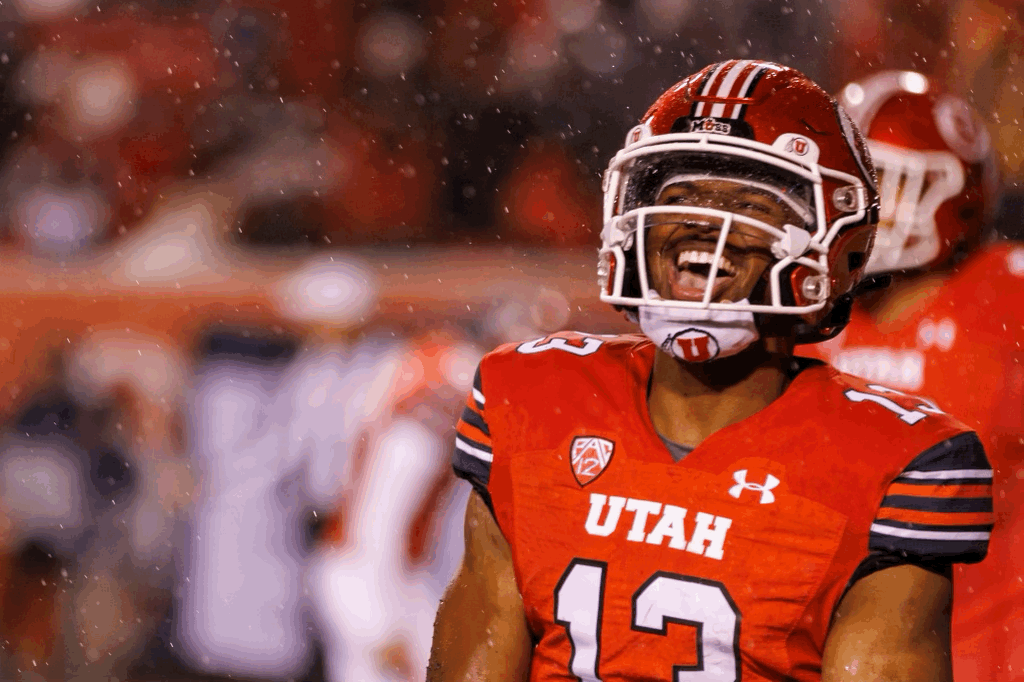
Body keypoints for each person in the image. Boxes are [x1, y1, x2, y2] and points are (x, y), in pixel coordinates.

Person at [427, 59, 995, 682]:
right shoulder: (534, 399)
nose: (704, 224)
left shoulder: (893, 463)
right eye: (682, 195)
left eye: (752, 202)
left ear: (831, 243)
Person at [805, 70, 1021, 681]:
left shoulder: (1004, 297)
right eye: (842, 186)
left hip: (992, 647)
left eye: (886, 184)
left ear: (956, 195)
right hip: (842, 648)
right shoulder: (807, 308)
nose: (856, 206)